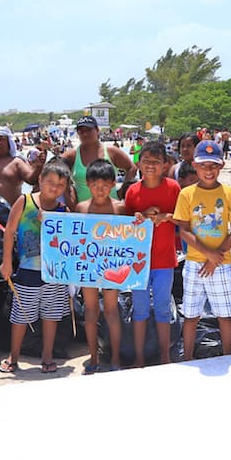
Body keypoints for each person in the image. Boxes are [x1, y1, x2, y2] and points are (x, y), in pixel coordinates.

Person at [0, 161, 73, 374]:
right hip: (27, 270)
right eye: (50, 182)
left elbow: (68, 241)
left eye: (60, 185)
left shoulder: (63, 210)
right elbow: (9, 231)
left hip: (54, 273)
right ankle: (13, 356)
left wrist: (50, 223)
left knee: (51, 315)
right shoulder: (25, 201)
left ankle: (47, 355)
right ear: (40, 179)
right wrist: (6, 262)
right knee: (21, 316)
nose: (54, 188)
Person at [173, 140, 231, 360]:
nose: (208, 170)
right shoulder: (186, 194)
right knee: (191, 315)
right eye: (203, 165)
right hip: (194, 263)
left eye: (213, 165)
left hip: (221, 264)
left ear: (221, 165)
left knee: (225, 315)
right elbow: (184, 230)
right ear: (195, 165)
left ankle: (227, 355)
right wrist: (208, 253)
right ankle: (188, 357)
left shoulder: (229, 194)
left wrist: (215, 257)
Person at [124, 140, 181, 368]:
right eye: (146, 161)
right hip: (138, 263)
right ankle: (139, 357)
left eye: (156, 161)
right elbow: (125, 226)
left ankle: (165, 356)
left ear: (165, 165)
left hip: (164, 261)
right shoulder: (132, 191)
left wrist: (165, 217)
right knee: (139, 311)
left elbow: (182, 219)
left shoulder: (173, 188)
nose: (150, 165)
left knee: (162, 309)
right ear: (138, 164)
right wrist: (140, 216)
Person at [77, 159, 125, 373]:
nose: (100, 189)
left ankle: (115, 358)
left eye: (105, 185)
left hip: (112, 266)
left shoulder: (120, 208)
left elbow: (130, 236)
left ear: (113, 184)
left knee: (112, 310)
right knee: (90, 310)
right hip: (88, 266)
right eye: (95, 185)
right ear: (88, 184)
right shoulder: (81, 208)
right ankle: (94, 358)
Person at [61, 115, 136, 202]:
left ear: (97, 130)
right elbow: (54, 170)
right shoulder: (72, 155)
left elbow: (132, 168)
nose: (85, 134)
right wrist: (70, 196)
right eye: (81, 131)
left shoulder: (111, 151)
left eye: (88, 130)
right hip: (81, 208)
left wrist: (122, 191)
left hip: (110, 207)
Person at [0, 125, 43, 205]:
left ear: (9, 143)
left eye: (2, 139)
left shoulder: (16, 162)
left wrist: (39, 166)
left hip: (12, 210)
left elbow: (32, 180)